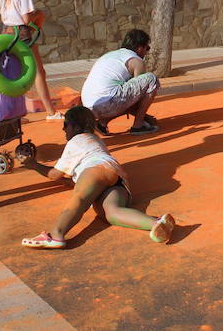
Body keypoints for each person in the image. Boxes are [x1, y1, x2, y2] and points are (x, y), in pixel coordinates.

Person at [18, 106, 175, 248]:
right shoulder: (96, 139)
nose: (63, 129)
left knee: (79, 199)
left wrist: (33, 164)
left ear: (76, 127)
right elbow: (84, 181)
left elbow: (54, 175)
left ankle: (56, 234)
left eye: (66, 125)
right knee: (111, 213)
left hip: (95, 170)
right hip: (116, 175)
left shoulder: (76, 141)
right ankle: (156, 223)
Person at [0, 0, 63, 120]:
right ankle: (51, 112)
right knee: (39, 72)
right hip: (22, 34)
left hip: (6, 33)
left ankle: (11, 114)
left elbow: (3, 16)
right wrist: (39, 15)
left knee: (12, 74)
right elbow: (27, 19)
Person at [80, 29, 159, 135]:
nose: (146, 52)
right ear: (140, 47)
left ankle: (102, 123)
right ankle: (138, 125)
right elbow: (137, 97)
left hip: (89, 106)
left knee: (119, 92)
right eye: (147, 48)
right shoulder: (136, 61)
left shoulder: (111, 55)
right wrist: (144, 116)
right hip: (108, 102)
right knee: (151, 79)